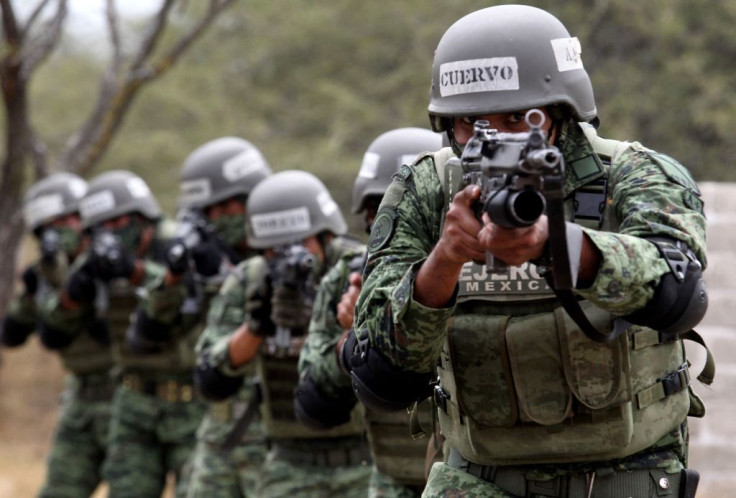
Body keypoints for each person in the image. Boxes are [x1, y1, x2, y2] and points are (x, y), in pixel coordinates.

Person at [349, 5, 710, 498]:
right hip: (477, 480)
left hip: (625, 475)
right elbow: (378, 377)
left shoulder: (633, 173)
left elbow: (680, 293)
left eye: (519, 118)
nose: (493, 140)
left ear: (561, 115)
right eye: (472, 124)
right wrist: (445, 262)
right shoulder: (426, 189)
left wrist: (560, 247)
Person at [195, 170, 372, 497]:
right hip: (288, 462)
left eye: (298, 243)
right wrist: (256, 327)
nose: (287, 257)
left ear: (325, 236)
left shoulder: (356, 271)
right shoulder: (252, 280)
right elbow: (209, 376)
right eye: (274, 250)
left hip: (364, 461)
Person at [294, 127, 443, 498]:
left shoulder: (482, 269)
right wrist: (355, 343)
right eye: (379, 208)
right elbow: (314, 407)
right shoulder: (346, 279)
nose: (393, 214)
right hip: (389, 482)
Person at [39, 170, 195, 497]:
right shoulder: (96, 257)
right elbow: (54, 330)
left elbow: (190, 303)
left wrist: (135, 271)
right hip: (133, 401)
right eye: (101, 226)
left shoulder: (177, 245)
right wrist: (73, 294)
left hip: (191, 402)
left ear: (141, 216)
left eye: (117, 221)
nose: (110, 233)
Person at [139, 136, 272, 498]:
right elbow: (146, 331)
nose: (217, 220)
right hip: (219, 428)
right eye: (208, 211)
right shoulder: (201, 259)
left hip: (278, 433)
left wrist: (232, 274)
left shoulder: (291, 251)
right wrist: (178, 277)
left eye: (224, 207)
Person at [1, 173, 115, 498]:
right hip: (79, 396)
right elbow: (12, 334)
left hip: (122, 393)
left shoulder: (105, 264)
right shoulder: (44, 275)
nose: (60, 230)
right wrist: (35, 290)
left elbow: (103, 330)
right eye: (49, 225)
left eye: (66, 219)